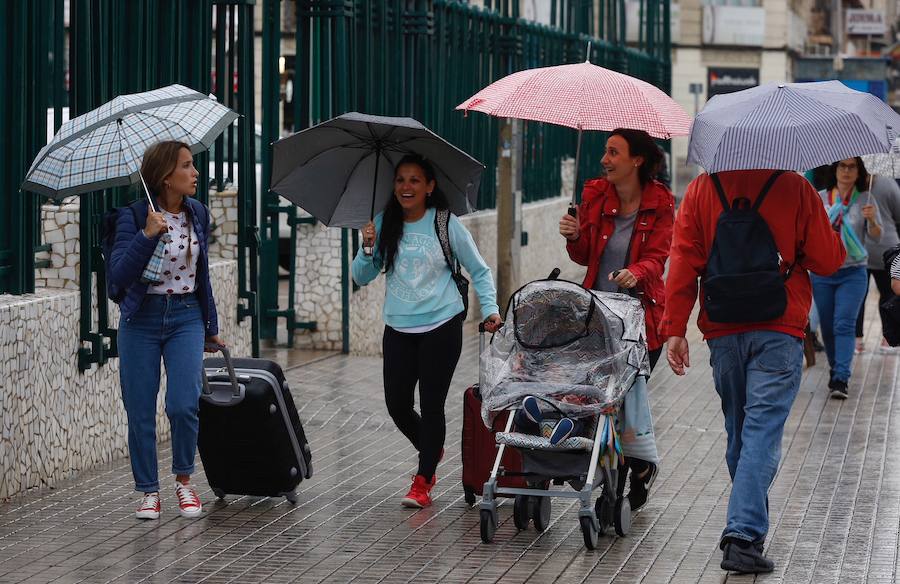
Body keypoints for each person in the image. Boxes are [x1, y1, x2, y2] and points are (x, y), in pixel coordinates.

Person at [662, 169, 844, 574]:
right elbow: (829, 261)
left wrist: (675, 328)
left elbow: (683, 259)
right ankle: (743, 536)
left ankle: (746, 530)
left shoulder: (702, 189)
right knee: (760, 431)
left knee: (740, 433)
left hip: (723, 329)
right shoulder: (795, 187)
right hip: (778, 327)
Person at [352, 154, 502, 509]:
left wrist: (492, 309)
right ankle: (432, 449)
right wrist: (368, 245)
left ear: (430, 187)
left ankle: (423, 479)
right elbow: (361, 276)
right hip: (399, 327)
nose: (406, 187)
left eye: (415, 180)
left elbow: (479, 270)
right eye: (401, 180)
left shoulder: (445, 224)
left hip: (442, 324)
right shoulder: (383, 223)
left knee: (432, 405)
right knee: (397, 405)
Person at [558, 127, 674, 511]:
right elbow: (585, 255)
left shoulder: (661, 201)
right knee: (600, 404)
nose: (604, 159)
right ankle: (633, 471)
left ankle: (620, 486)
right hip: (598, 320)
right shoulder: (595, 194)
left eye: (613, 153)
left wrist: (636, 272)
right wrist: (575, 236)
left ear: (637, 160)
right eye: (605, 152)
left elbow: (659, 257)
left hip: (642, 322)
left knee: (622, 404)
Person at [108, 141, 224, 520]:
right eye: (187, 167)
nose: (195, 173)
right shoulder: (133, 216)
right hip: (140, 319)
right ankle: (148, 492)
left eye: (193, 165)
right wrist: (145, 236)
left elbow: (201, 276)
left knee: (183, 404)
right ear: (164, 177)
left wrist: (211, 327)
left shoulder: (198, 214)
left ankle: (184, 483)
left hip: (186, 317)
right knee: (140, 409)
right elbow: (118, 278)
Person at [813, 158, 882, 398]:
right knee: (829, 327)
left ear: (859, 172)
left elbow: (876, 236)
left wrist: (872, 219)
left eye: (852, 167)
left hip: (853, 273)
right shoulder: (820, 198)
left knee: (844, 323)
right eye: (842, 166)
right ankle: (835, 369)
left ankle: (841, 377)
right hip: (823, 273)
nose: (846, 171)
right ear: (834, 169)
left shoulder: (866, 199)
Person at [855, 174, 900, 354]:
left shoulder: (849, 185)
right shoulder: (888, 183)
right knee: (889, 297)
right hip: (885, 249)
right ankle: (887, 339)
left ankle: (857, 340)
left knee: (858, 298)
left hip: (858, 250)